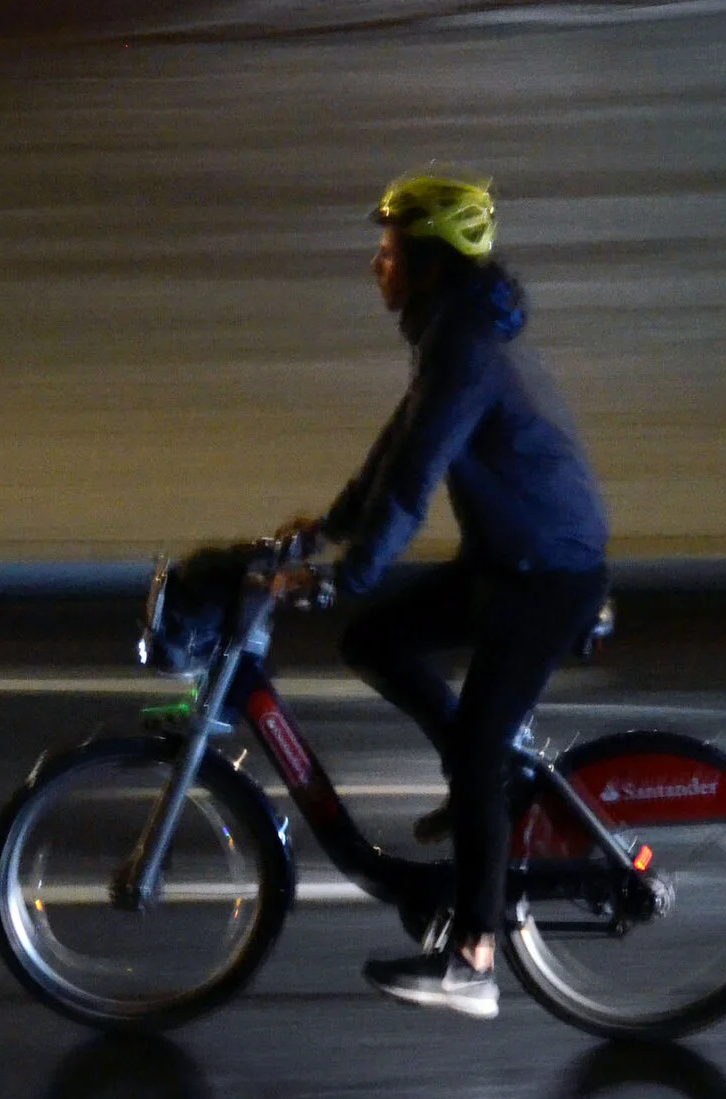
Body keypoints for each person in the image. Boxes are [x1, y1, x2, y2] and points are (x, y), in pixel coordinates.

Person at [274, 171, 611, 1019]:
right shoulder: (449, 337)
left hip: (548, 576)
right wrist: (327, 530)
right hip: (509, 561)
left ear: (428, 263)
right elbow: (396, 449)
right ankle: (477, 787)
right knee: (375, 640)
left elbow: (415, 480)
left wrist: (347, 573)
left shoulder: (464, 350)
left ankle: (473, 959)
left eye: (389, 253)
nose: (376, 267)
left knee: (477, 751)